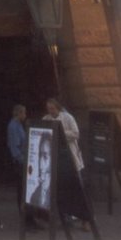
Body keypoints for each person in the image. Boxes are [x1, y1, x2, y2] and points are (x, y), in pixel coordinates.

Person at [44, 98, 92, 231]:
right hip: (58, 161)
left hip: (71, 158)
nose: (50, 111)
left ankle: (86, 219)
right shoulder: (46, 119)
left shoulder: (67, 117)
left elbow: (76, 133)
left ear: (57, 108)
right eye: (48, 108)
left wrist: (60, 133)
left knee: (79, 188)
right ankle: (66, 217)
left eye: (52, 108)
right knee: (63, 188)